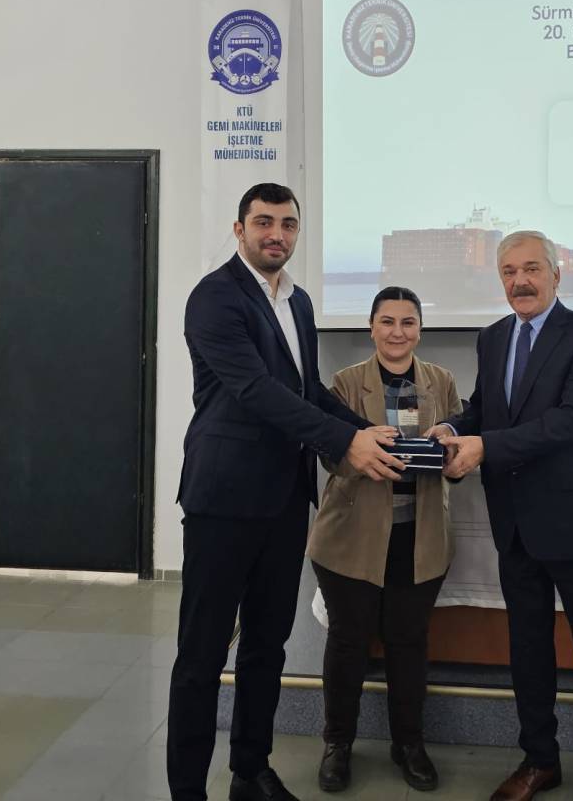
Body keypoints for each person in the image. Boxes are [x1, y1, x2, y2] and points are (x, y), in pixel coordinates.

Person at [167, 183, 405, 801]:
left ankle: (250, 771)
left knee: (267, 647)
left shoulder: (296, 301)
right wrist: (345, 443)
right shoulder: (215, 298)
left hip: (283, 499)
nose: (277, 234)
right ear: (240, 228)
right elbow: (256, 391)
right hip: (224, 500)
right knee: (202, 654)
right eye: (264, 222)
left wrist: (365, 430)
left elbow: (305, 390)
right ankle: (188, 790)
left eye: (288, 224)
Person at [430, 230, 573, 801]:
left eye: (532, 269)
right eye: (509, 271)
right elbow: (487, 409)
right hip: (515, 525)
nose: (520, 281)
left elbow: (571, 422)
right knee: (528, 652)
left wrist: (486, 447)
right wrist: (454, 427)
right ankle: (540, 761)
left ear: (556, 275)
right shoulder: (492, 338)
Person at [306, 286, 462, 793]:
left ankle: (409, 744)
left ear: (420, 330)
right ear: (371, 328)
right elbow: (330, 455)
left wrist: (451, 456)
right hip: (351, 540)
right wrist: (363, 454)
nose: (398, 332)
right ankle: (337, 744)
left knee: (408, 643)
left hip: (421, 539)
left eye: (408, 322)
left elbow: (458, 459)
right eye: (388, 322)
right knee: (348, 642)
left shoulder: (442, 382)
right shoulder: (345, 383)